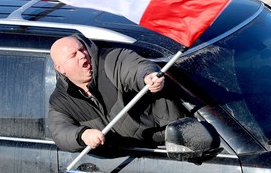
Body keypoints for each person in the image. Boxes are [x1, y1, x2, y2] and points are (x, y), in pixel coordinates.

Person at [48, 33, 184, 152]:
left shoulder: (111, 61)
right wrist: (83, 135)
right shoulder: (61, 100)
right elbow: (59, 131)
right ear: (60, 68)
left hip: (164, 144)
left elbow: (134, 67)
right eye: (73, 55)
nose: (82, 55)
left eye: (82, 49)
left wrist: (147, 77)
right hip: (115, 160)